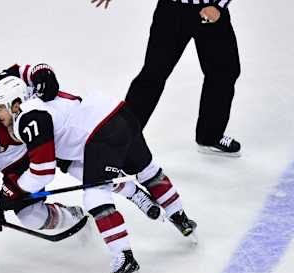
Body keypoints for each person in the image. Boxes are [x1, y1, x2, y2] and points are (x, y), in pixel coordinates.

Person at [0, 74, 197, 273]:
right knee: (147, 171)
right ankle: (179, 216)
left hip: (102, 133)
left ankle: (125, 259)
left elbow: (43, 172)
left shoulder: (28, 117)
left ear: (14, 103)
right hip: (120, 114)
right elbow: (69, 159)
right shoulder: (40, 103)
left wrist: (12, 192)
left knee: (95, 196)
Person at [0, 65, 158, 235]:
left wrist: (39, 72)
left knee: (88, 173)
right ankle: (76, 219)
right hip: (13, 164)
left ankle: (134, 193)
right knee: (31, 217)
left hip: (40, 137)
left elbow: (16, 74)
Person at [93, 0, 242, 157]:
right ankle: (121, 141)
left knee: (224, 72)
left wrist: (219, 5)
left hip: (212, 11)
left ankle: (210, 136)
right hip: (172, 11)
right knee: (153, 74)